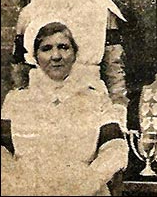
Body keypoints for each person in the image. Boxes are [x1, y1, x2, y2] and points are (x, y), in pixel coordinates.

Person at [11, 0, 129, 131]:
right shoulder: (31, 13)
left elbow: (114, 66)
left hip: (88, 101)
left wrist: (118, 107)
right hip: (41, 103)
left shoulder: (101, 11)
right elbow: (20, 69)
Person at [1, 22, 129, 196]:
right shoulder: (16, 100)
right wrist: (18, 184)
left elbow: (115, 148)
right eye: (46, 48)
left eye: (63, 47)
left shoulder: (96, 98)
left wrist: (88, 182)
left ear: (75, 54)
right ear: (35, 56)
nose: (56, 56)